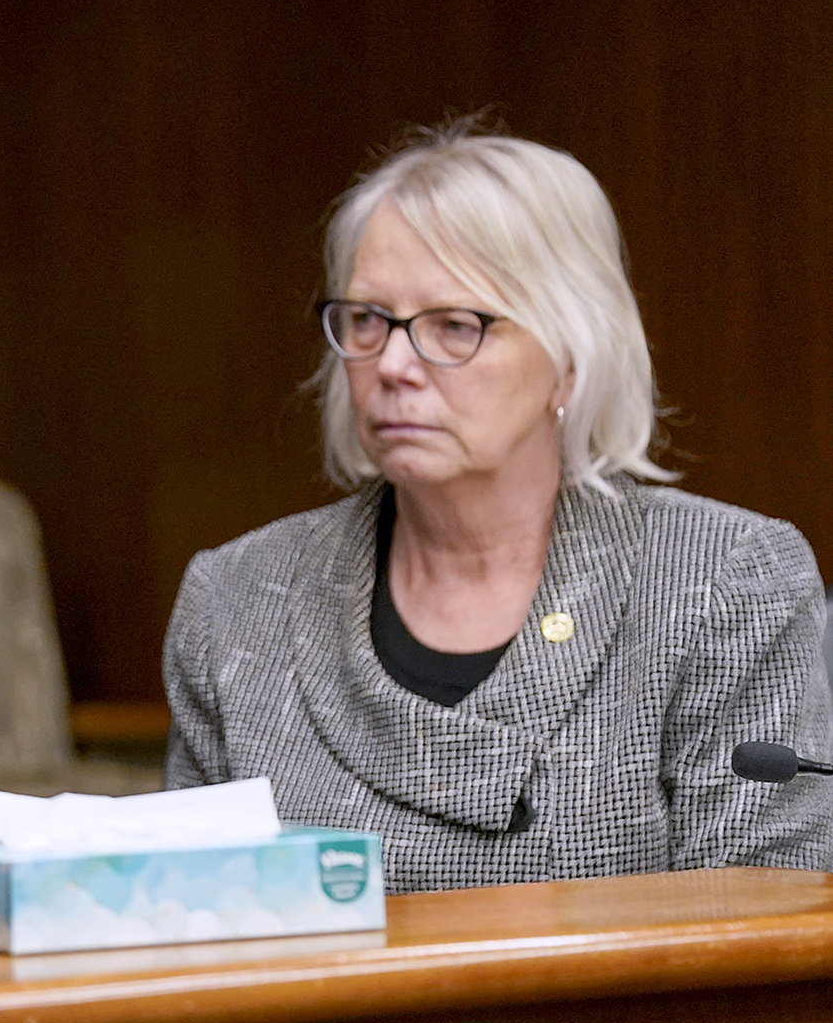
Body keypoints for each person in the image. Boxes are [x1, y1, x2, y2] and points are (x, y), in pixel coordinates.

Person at [162, 122, 833, 892]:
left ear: (571, 363)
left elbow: (755, 958)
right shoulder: (235, 600)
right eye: (368, 319)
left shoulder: (721, 584)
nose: (393, 365)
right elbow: (191, 939)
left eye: (455, 325)